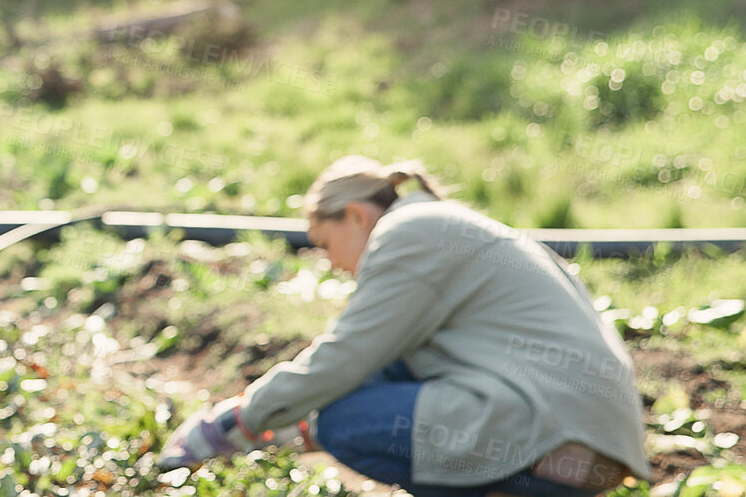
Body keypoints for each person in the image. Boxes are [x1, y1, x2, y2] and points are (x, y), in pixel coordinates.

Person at [157, 156, 650, 497]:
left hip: (558, 438)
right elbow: (377, 365)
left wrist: (238, 421)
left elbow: (349, 354)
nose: (330, 263)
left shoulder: (409, 233)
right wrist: (289, 418)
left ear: (355, 216)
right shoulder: (439, 225)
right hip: (594, 440)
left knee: (344, 424)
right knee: (363, 392)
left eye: (325, 244)